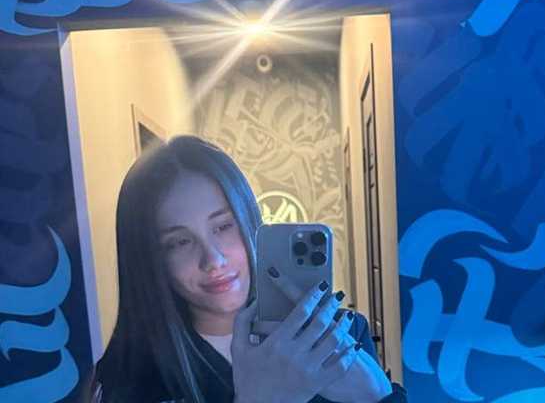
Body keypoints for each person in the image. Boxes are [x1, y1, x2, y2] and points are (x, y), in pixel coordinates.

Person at [92, 135, 408, 403]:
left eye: (223, 226)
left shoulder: (340, 337)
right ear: (150, 259)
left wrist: (380, 395)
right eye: (179, 242)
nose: (213, 260)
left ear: (249, 219)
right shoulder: (131, 377)